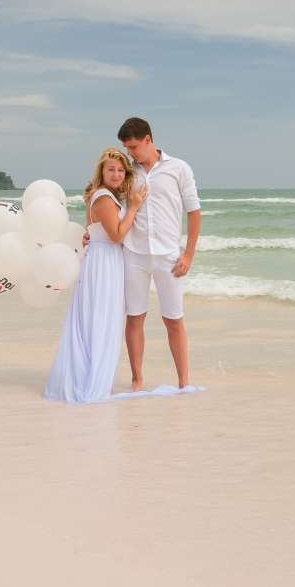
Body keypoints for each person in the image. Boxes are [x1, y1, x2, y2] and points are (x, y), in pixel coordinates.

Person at [43, 148, 148, 404]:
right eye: (111, 169)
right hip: (104, 262)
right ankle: (92, 381)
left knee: (95, 318)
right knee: (100, 318)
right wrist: (134, 207)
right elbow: (116, 235)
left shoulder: (107, 197)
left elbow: (100, 230)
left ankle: (90, 375)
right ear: (101, 171)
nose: (116, 174)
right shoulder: (103, 197)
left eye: (121, 170)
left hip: (103, 260)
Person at [117, 117, 201, 391]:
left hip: (168, 256)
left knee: (173, 319)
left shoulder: (179, 168)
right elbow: (106, 202)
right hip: (134, 254)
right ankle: (137, 381)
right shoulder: (126, 172)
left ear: (148, 140)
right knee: (135, 317)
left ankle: (183, 382)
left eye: (132, 146)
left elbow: (193, 211)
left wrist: (188, 254)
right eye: (126, 148)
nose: (129, 153)